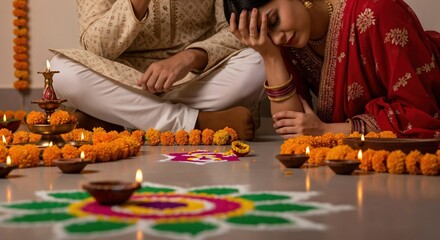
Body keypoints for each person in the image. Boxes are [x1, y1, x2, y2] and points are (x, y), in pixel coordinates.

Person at [50, 0, 267, 140]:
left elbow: (234, 32)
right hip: (124, 78)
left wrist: (189, 57)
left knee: (257, 62)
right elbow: (96, 46)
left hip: (194, 77)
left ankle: (117, 117)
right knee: (61, 70)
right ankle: (197, 122)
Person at [224, 0, 440, 139]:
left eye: (274, 20)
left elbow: (421, 113)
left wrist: (326, 130)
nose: (278, 37)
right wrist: (269, 55)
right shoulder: (286, 44)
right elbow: (293, 128)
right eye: (266, 35)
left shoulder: (377, 11)